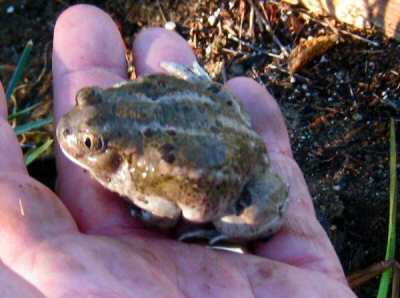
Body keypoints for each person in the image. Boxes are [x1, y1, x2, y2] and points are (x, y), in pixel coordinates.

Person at [0, 5, 357, 297]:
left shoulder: (141, 173)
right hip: (220, 115)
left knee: (234, 222)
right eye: (85, 99)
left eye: (91, 144)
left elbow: (166, 211)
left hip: (240, 182)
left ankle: (235, 231)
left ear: (119, 156)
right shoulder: (128, 99)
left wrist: (146, 216)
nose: (69, 129)